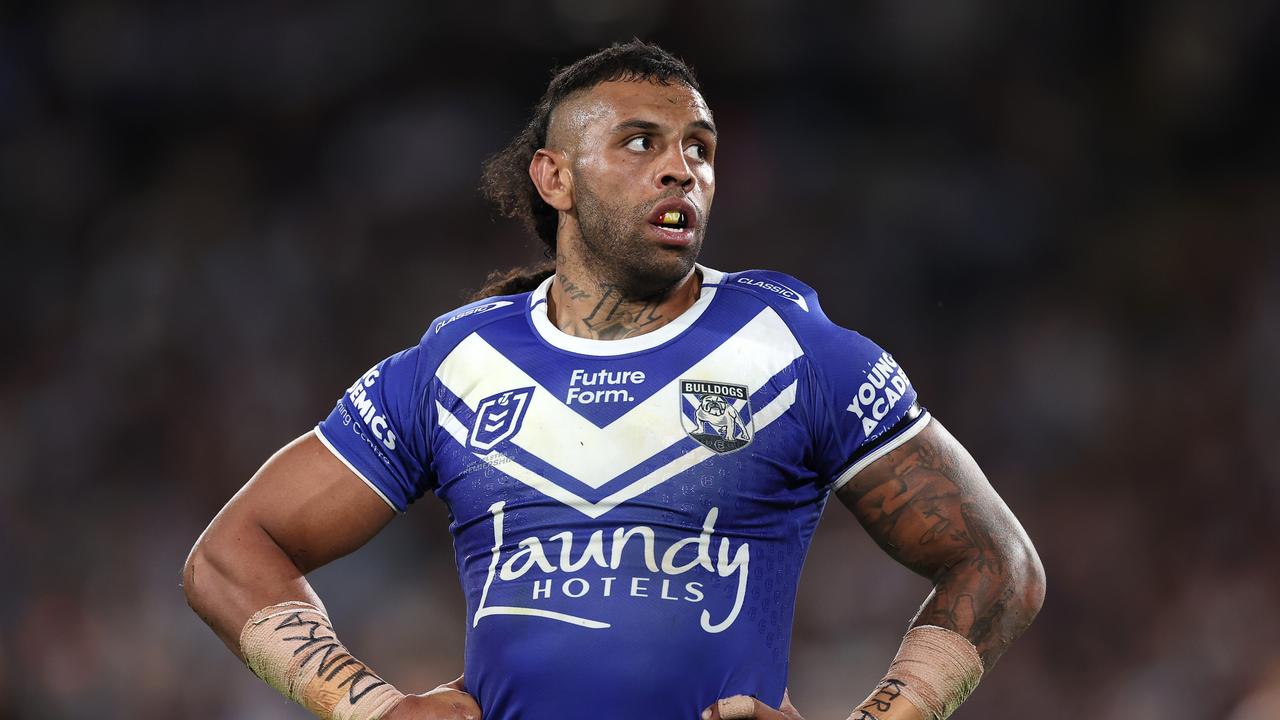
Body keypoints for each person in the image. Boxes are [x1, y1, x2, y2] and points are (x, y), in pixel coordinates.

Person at [182, 40, 1045, 720]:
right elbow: (229, 557)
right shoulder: (457, 367)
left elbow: (998, 564)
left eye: (700, 149)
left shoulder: (796, 353)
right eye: (642, 142)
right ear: (554, 177)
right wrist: (367, 706)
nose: (684, 169)